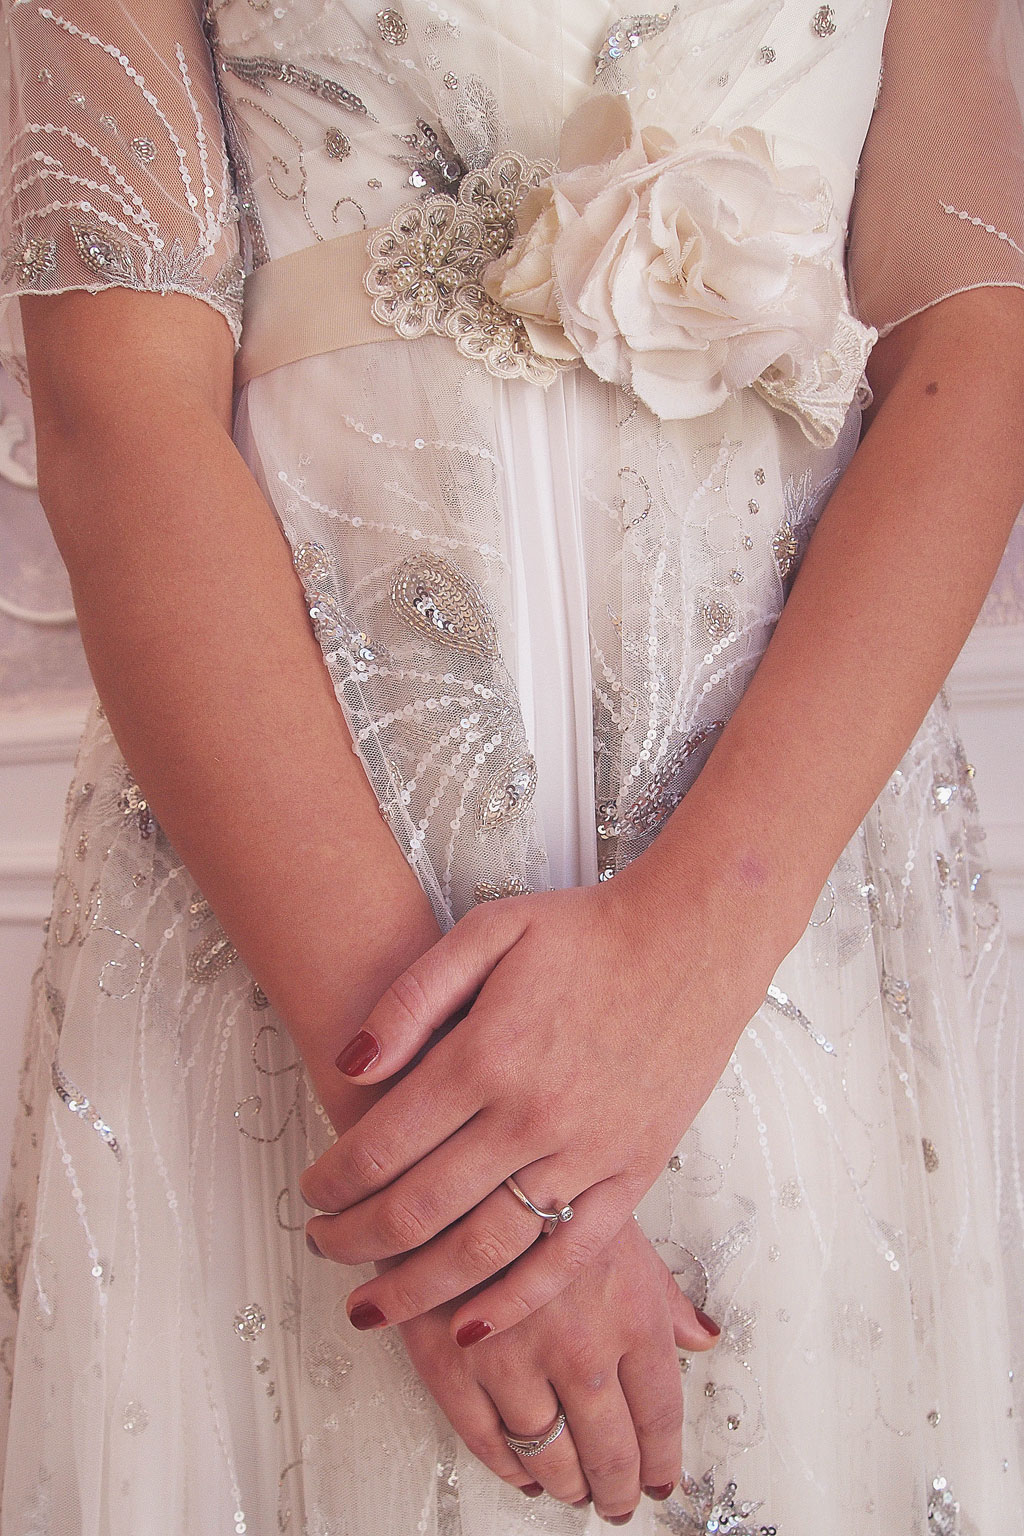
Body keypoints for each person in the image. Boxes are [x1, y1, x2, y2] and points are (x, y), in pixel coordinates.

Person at [1, 0, 1022, 1530]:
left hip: (794, 903)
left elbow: (978, 344)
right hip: (298, 926)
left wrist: (697, 950)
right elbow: (121, 412)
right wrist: (435, 1162)